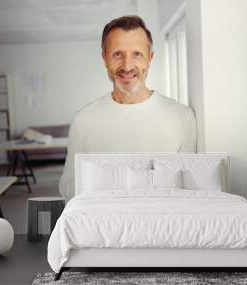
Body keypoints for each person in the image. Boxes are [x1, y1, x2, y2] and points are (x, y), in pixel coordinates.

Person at [59, 15, 197, 201]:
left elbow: (189, 190)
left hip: (164, 226)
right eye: (117, 54)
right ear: (105, 59)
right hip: (103, 226)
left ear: (150, 58)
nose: (127, 65)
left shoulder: (182, 118)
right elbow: (69, 187)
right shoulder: (83, 120)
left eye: (137, 54)